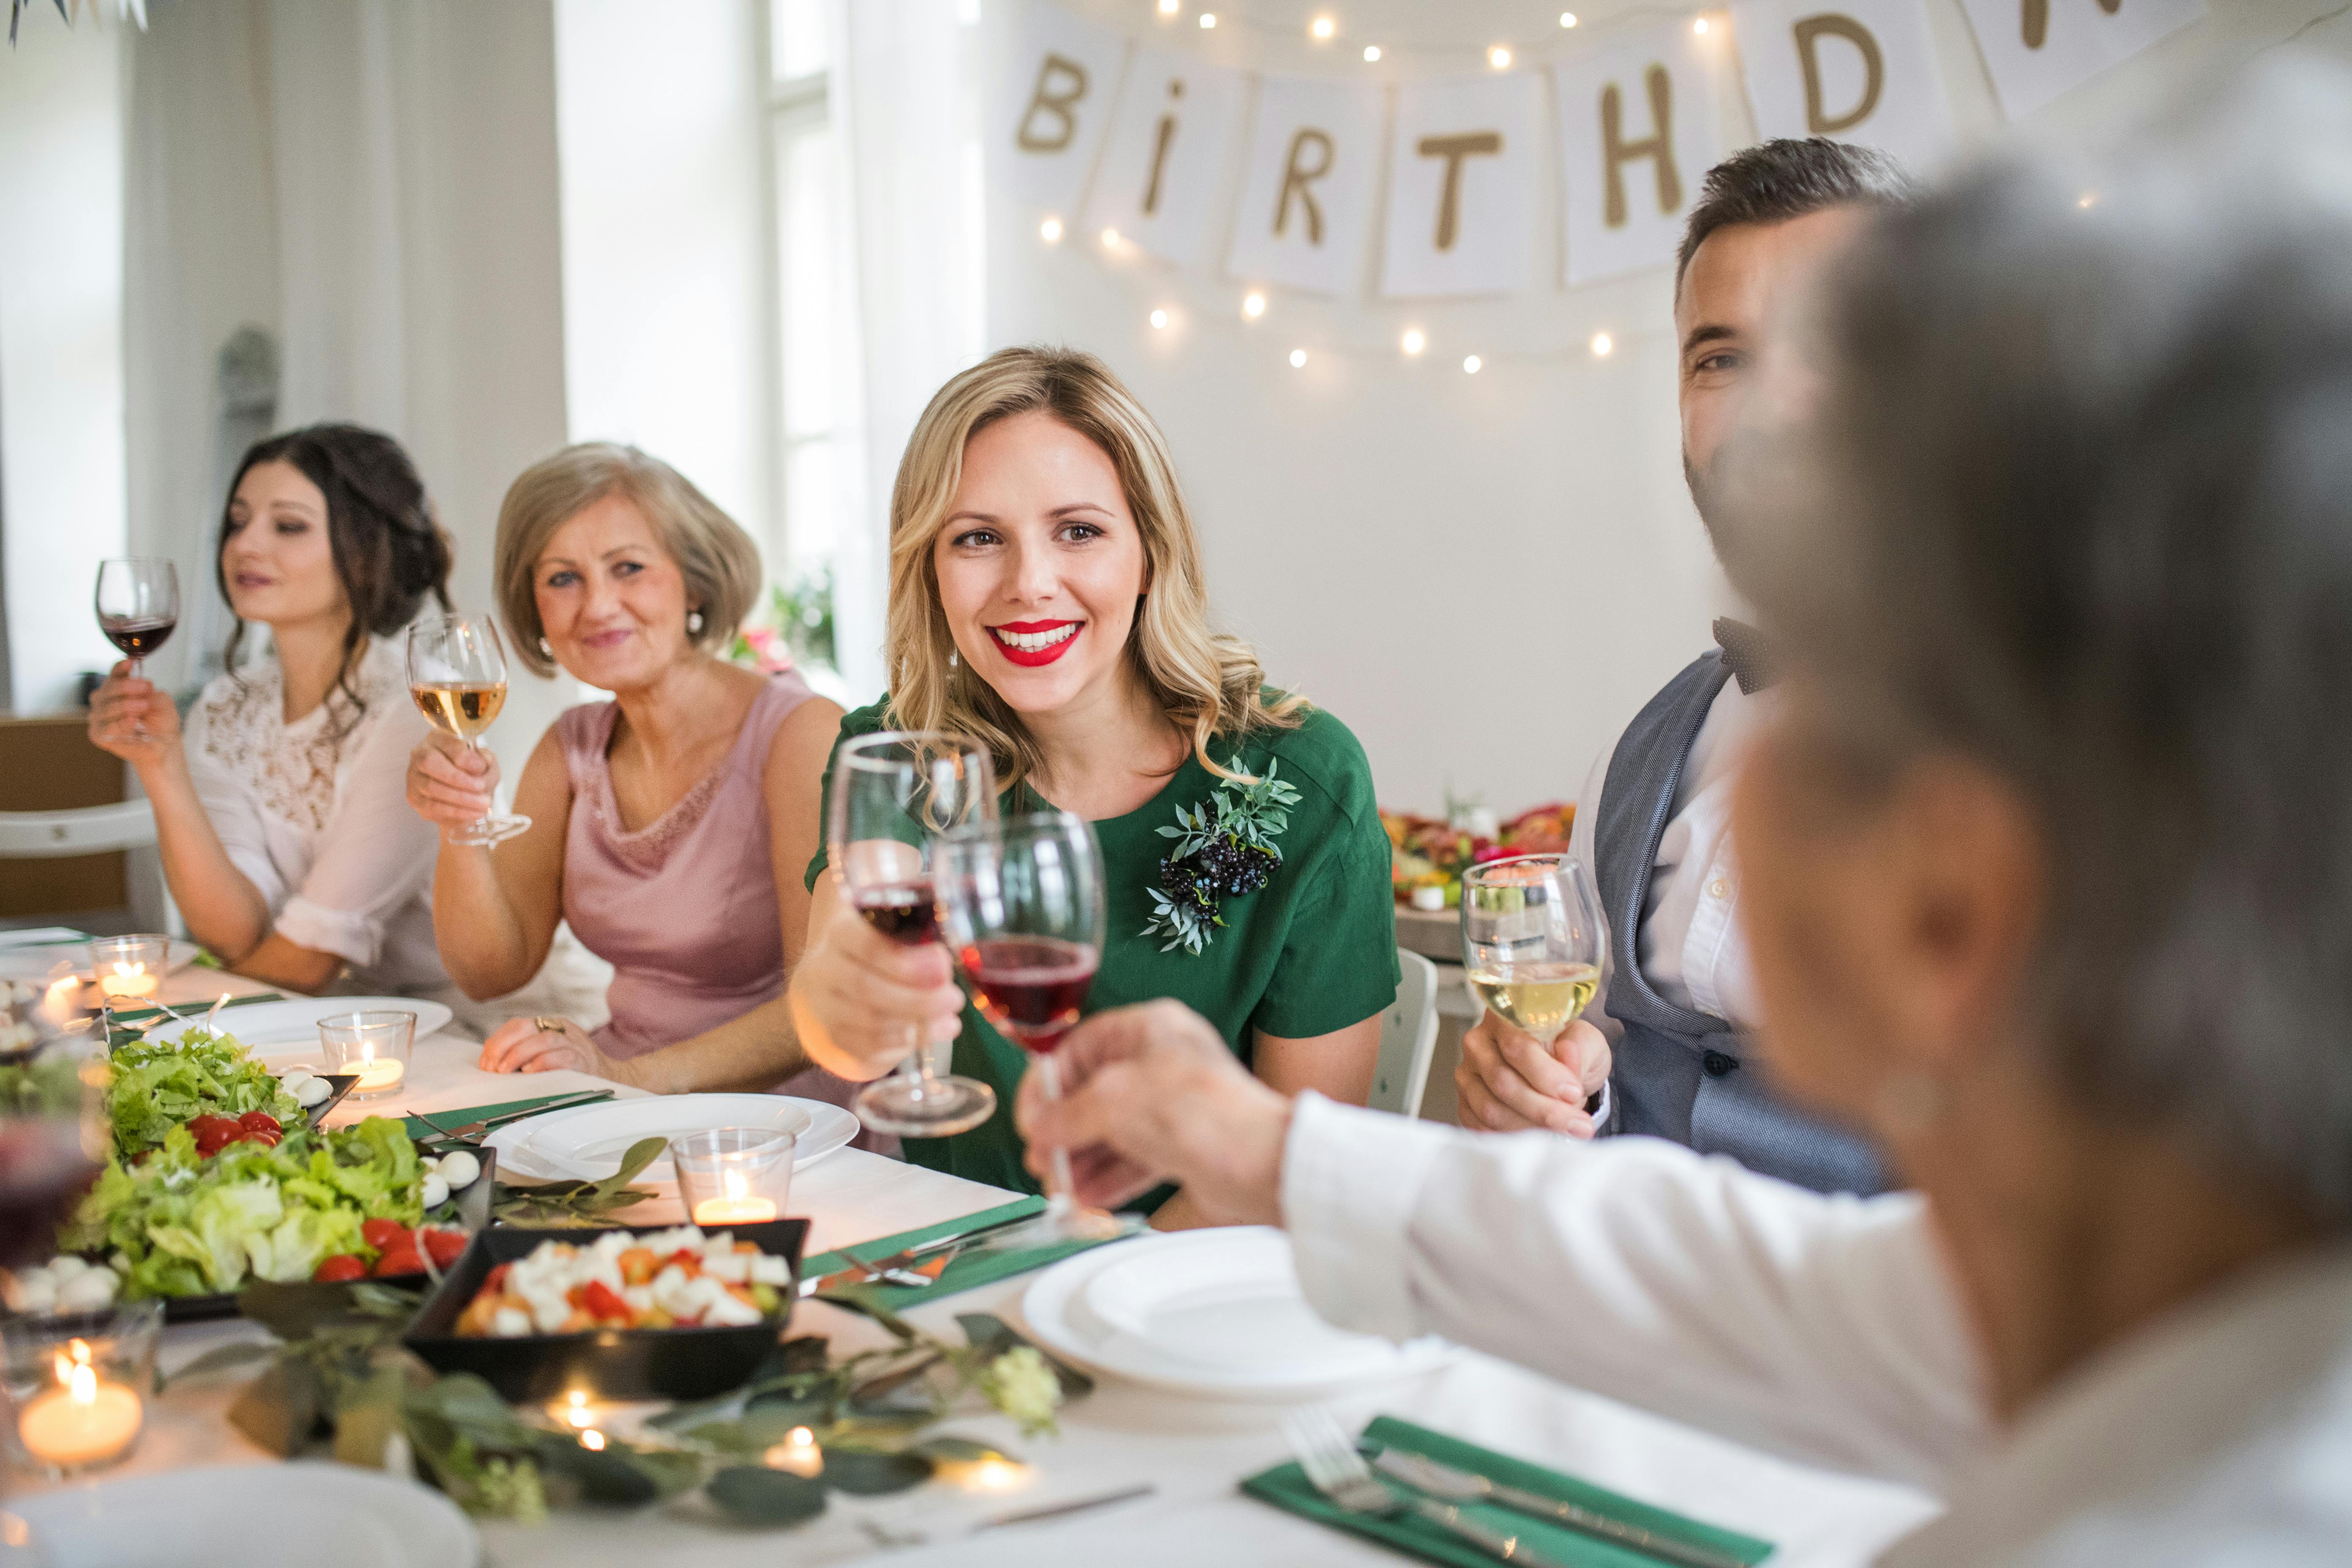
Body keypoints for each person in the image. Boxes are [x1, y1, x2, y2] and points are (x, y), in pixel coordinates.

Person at [1019, 73, 2352, 1563]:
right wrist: (1282, 1146)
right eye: (1721, 357)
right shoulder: (2130, 1312)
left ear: (1957, 896)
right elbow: (1789, 1289)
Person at [789, 347, 1397, 1225]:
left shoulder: (1299, 781)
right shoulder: (899, 754)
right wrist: (842, 997)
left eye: (1079, 530)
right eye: (977, 537)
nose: (1029, 582)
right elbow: (834, 1009)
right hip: (957, 1269)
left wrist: (1079, 1288)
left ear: (1149, 552)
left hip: (1189, 1286)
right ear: (930, 565)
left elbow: (1298, 1166)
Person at [1456, 138, 1915, 1195]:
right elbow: (1605, 1088)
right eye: (1722, 359)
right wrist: (1549, 1098)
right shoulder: (1640, 752)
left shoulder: (2088, 750)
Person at [403, 443, 854, 1107]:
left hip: (786, 1118)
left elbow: (827, 1006)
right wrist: (458, 823)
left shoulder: (801, 733)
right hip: (624, 1098)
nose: (597, 606)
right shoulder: (573, 747)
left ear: (694, 581)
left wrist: (624, 1078)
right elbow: (490, 972)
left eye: (629, 569)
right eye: (563, 579)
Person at [88, 424, 453, 996]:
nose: (245, 545)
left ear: (364, 551)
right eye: (238, 521)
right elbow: (234, 934)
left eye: (288, 526)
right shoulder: (228, 706)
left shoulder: (415, 713)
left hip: (464, 1032)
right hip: (319, 1023)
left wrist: (142, 1018)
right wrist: (161, 769)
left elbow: (307, 963)